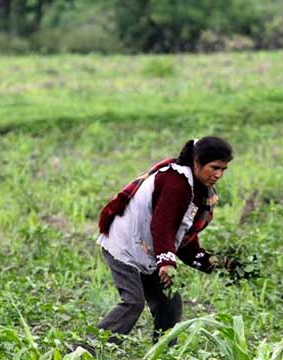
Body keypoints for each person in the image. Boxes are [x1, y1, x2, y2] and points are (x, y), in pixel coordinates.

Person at [94, 136, 233, 344]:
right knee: (133, 303)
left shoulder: (197, 189)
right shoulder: (176, 182)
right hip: (125, 245)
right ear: (197, 161)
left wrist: (219, 264)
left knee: (169, 302)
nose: (218, 175)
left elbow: (184, 243)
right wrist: (166, 262)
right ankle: (83, 353)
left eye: (223, 169)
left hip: (148, 249)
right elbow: (162, 225)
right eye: (214, 168)